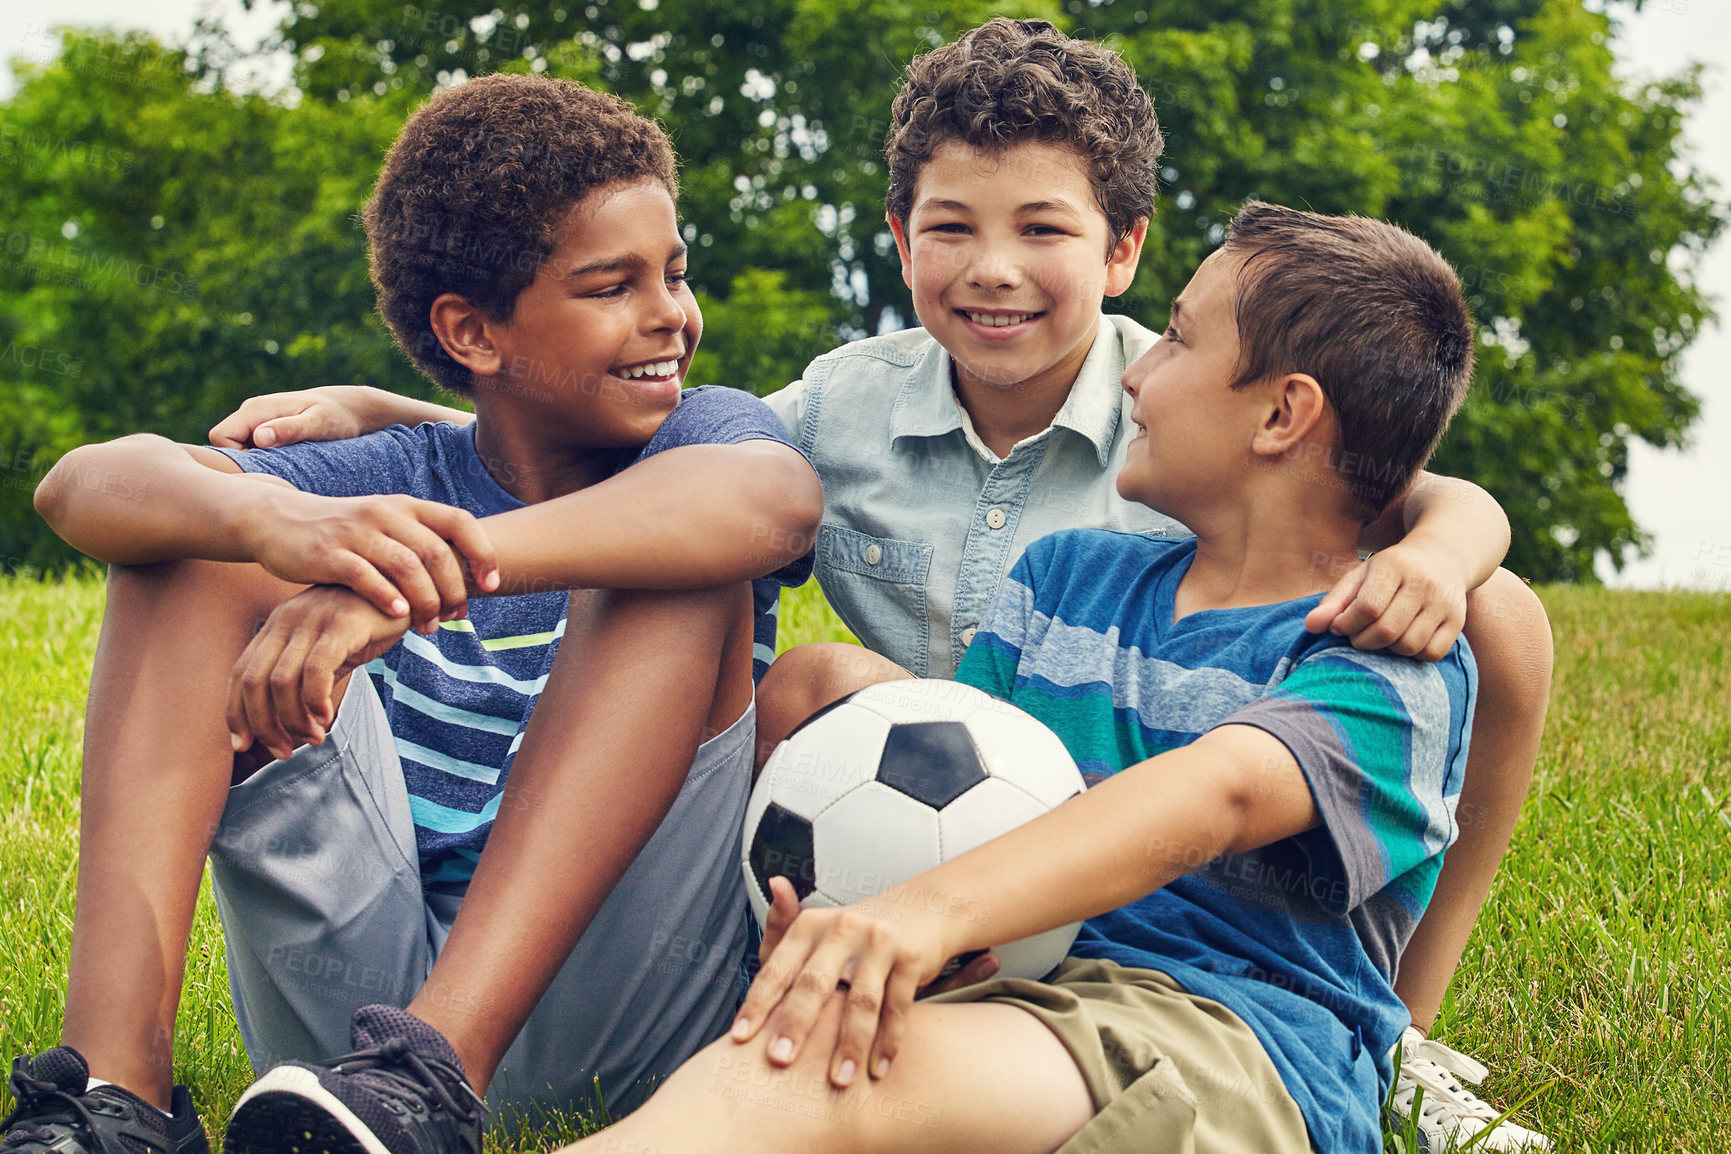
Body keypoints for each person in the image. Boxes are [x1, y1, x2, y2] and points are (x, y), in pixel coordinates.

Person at [211, 19, 1553, 1149]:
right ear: (899, 236)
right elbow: (665, 471)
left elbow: (1217, 781)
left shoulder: (1349, 607)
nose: (993, 267)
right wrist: (424, 420)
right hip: (1009, 914)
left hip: (1204, 1000)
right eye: (950, 226)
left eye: (1043, 229)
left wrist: (1442, 543)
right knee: (808, 721)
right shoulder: (1026, 541)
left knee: (817, 1067)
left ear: (1124, 254)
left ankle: (1394, 1037)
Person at [549, 198, 1492, 1154]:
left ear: (1283, 414)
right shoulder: (1065, 580)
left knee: (810, 1077)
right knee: (792, 1058)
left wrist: (917, 917)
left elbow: (1225, 793)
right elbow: (973, 808)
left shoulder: (1384, 664)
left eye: (1173, 341)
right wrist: (915, 930)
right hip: (1016, 1004)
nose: (1136, 372)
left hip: (1223, 1044)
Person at [13, 73, 821, 1154]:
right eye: (611, 286)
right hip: (349, 1041)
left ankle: (436, 1066)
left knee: (673, 561)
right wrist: (272, 526)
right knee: (189, 546)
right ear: (471, 333)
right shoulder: (395, 470)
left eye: (674, 272)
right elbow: (80, 487)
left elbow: (765, 502)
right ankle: (115, 1093)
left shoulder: (702, 435)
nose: (670, 314)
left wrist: (416, 577)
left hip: (623, 1004)